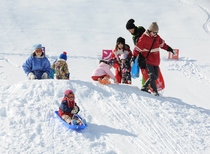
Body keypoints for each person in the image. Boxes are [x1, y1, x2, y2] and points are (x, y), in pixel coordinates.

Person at [131, 22, 174, 96]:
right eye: (154, 32)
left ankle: (145, 87)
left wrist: (169, 49)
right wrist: (133, 57)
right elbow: (137, 48)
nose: (155, 34)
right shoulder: (144, 38)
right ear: (150, 31)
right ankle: (154, 91)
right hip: (148, 60)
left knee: (156, 76)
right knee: (152, 76)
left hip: (155, 61)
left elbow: (162, 44)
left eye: (156, 32)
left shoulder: (157, 37)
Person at [126, 19, 147, 85]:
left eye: (130, 29)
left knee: (146, 69)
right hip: (140, 54)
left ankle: (146, 86)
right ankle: (144, 85)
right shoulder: (134, 36)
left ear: (133, 27)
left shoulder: (140, 31)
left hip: (146, 53)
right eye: (128, 30)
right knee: (143, 69)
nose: (129, 31)